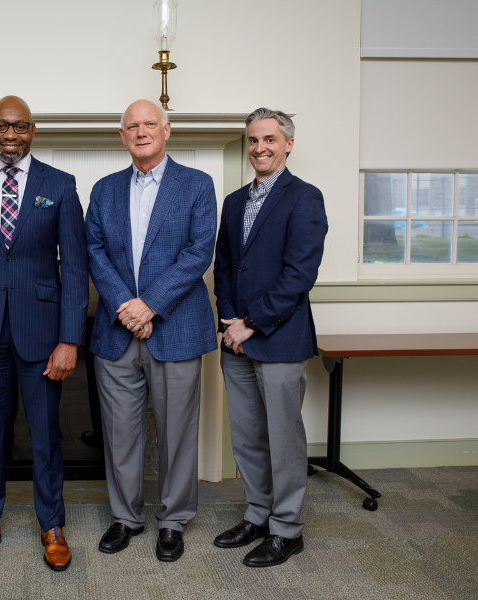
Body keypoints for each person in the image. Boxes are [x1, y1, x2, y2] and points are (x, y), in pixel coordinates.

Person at [0, 95, 88, 572]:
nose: (12, 136)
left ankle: (52, 524)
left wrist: (70, 338)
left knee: (47, 435)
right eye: (3, 127)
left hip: (43, 335)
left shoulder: (60, 186)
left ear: (33, 131)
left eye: (21, 127)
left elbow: (75, 266)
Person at [86, 99, 217, 562]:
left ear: (166, 130)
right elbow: (95, 252)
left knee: (177, 432)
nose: (141, 132)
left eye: (149, 124)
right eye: (131, 126)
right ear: (122, 136)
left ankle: (174, 520)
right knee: (120, 432)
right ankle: (126, 517)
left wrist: (150, 305)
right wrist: (126, 306)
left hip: (176, 328)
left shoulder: (197, 186)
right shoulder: (103, 190)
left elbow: (198, 253)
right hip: (116, 330)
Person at [213, 108, 328, 568]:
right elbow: (223, 266)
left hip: (277, 338)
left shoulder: (305, 198)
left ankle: (287, 529)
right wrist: (227, 321)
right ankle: (257, 515)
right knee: (247, 438)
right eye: (253, 140)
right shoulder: (235, 200)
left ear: (288, 144)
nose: (260, 147)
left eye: (269, 140)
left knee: (283, 440)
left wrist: (251, 323)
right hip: (236, 339)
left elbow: (299, 275)